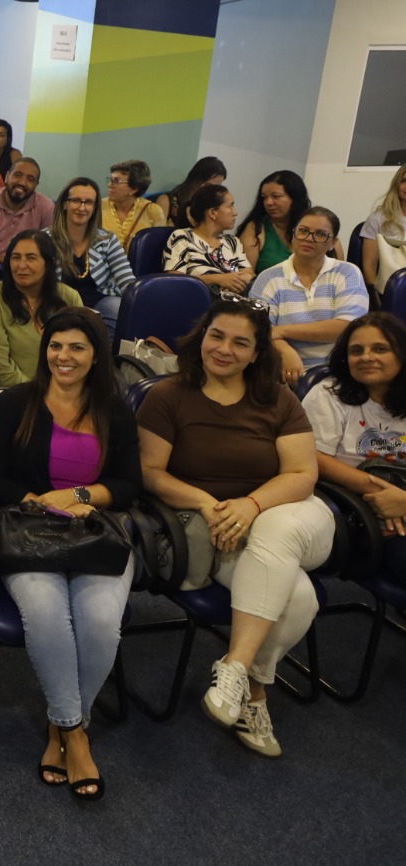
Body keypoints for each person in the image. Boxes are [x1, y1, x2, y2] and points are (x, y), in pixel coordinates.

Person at [136, 297, 332, 758]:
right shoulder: (168, 396)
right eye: (216, 336)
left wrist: (251, 504)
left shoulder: (278, 399)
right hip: (223, 527)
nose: (224, 349)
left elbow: (303, 473)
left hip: (290, 514)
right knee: (298, 596)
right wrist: (207, 503)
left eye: (240, 342)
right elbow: (151, 473)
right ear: (201, 338)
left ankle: (235, 663)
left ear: (257, 351)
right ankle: (255, 692)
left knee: (275, 533)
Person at [0, 307, 139, 801]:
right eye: (55, 346)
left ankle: (60, 725)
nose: (63, 357)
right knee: (46, 615)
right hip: (30, 532)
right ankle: (74, 731)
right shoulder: (16, 402)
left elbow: (130, 484)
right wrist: (39, 503)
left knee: (98, 624)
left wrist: (83, 496)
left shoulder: (114, 409)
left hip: (98, 533)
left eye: (77, 347)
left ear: (96, 357)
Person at [305, 313, 406, 572]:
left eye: (380, 349)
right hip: (367, 518)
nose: (366, 357)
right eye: (356, 350)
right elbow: (312, 457)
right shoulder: (328, 395)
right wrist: (379, 491)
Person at [250, 206, 369, 382]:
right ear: (293, 234)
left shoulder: (347, 273)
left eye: (320, 234)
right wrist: (286, 351)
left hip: (341, 371)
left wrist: (280, 331)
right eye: (303, 231)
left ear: (332, 243)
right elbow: (260, 330)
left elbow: (347, 327)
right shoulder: (269, 278)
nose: (308, 238)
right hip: (285, 370)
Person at [0, 230, 85, 386]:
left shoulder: (69, 297)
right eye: (16, 258)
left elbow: (82, 352)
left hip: (65, 391)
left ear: (50, 263)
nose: (21, 265)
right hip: (13, 395)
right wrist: (41, 397)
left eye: (31, 258)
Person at [47, 178, 137, 334]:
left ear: (95, 208)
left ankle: (104, 357)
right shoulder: (46, 239)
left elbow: (127, 281)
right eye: (76, 201)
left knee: (116, 307)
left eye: (89, 202)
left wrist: (140, 301)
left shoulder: (107, 239)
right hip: (59, 303)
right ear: (64, 204)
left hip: (101, 302)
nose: (82, 208)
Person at [163, 184, 255, 295]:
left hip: (234, 303)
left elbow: (249, 273)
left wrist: (235, 283)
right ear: (212, 213)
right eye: (230, 206)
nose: (235, 212)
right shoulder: (182, 237)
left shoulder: (232, 242)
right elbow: (175, 281)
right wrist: (218, 279)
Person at [0, 158, 56, 264]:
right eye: (17, 175)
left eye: (30, 179)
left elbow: (48, 249)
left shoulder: (45, 206)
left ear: (36, 185)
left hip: (26, 269)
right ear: (7, 177)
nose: (22, 182)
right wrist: (5, 261)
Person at [360, 163, 406, 297]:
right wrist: (377, 298)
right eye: (404, 181)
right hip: (388, 291)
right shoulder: (378, 218)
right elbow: (369, 265)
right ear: (397, 185)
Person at [103, 159, 166, 252]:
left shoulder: (152, 211)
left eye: (116, 181)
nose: (109, 185)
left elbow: (160, 248)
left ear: (134, 188)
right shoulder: (99, 207)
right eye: (110, 180)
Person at [158, 156, 226, 229]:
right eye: (208, 185)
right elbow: (156, 237)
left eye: (216, 188)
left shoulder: (210, 209)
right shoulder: (167, 201)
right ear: (196, 179)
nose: (211, 191)